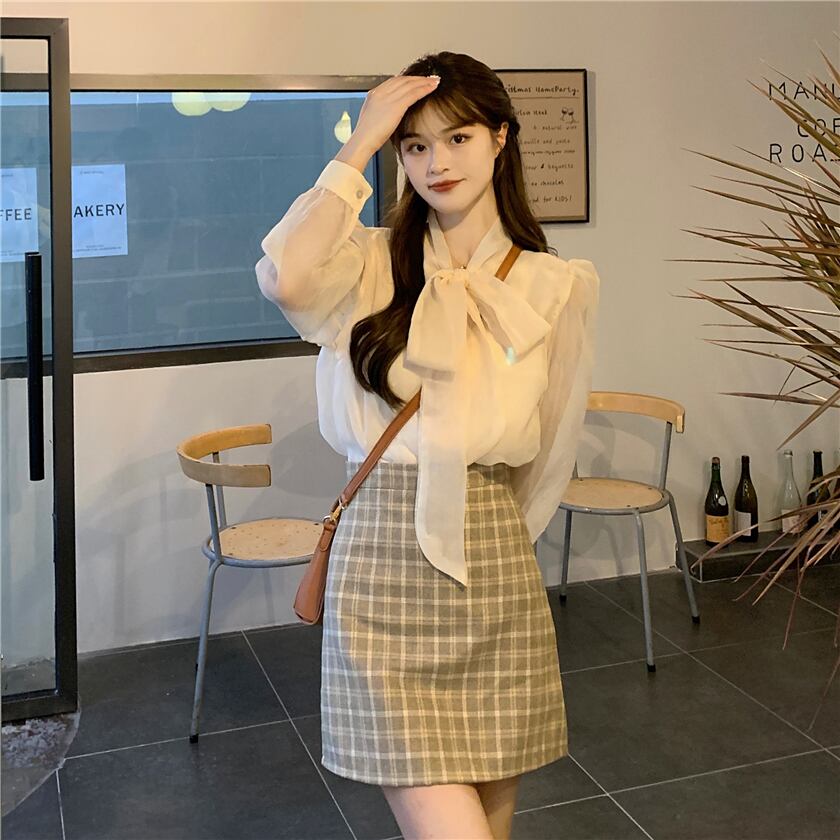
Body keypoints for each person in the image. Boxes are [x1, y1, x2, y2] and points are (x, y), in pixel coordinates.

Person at [255, 51, 600, 840]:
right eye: (414, 145)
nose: (436, 162)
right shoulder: (366, 262)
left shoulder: (554, 283)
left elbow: (551, 446)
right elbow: (287, 278)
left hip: (494, 561)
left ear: (501, 139)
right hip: (379, 562)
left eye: (458, 138)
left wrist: (501, 529)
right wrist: (361, 141)